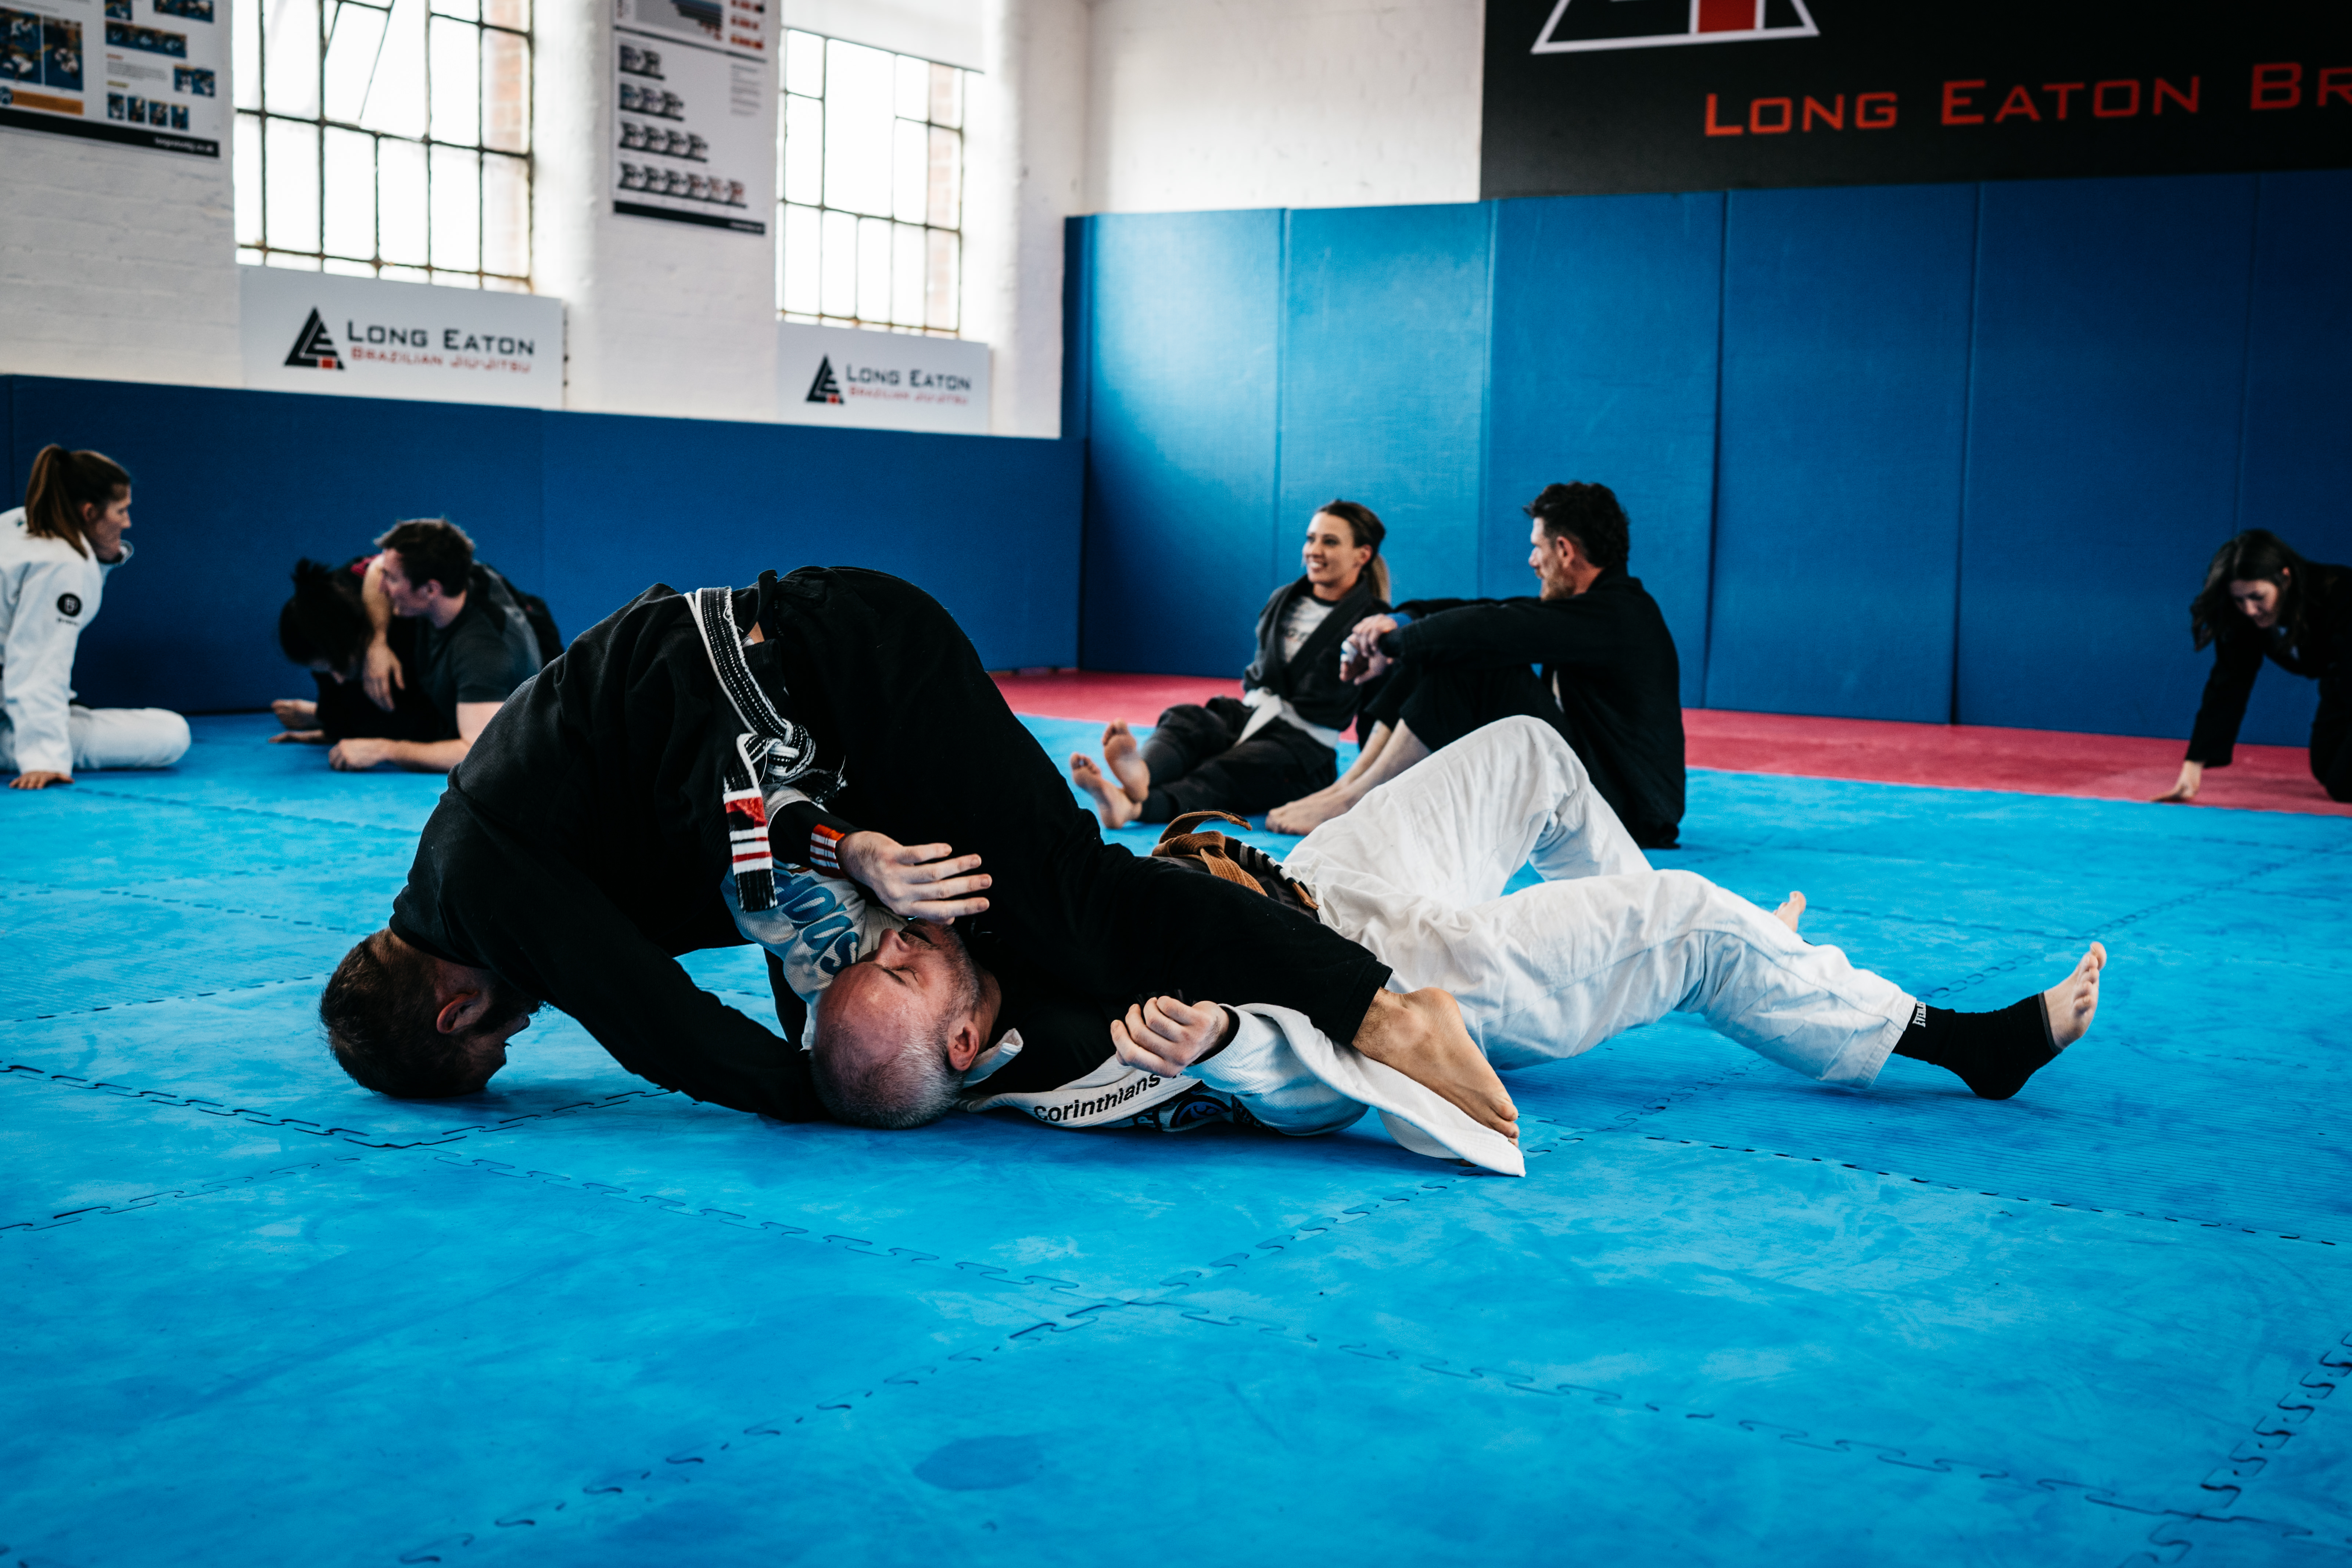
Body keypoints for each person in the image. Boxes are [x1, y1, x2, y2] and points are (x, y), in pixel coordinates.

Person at [319, 568, 1479, 1129]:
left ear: (450, 1015)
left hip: (849, 667)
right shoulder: (481, 865)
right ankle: (1143, 1042)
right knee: (898, 994)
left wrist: (858, 1090)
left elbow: (658, 1026)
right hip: (804, 752)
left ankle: (1377, 1006)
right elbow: (713, 836)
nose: (519, 1037)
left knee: (1064, 907)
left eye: (493, 1053)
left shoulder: (483, 888)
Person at [796, 718, 2105, 1173]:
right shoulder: (1081, 1068)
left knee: (1529, 755)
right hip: (1411, 980)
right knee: (1690, 916)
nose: (903, 940)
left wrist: (845, 852)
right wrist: (1228, 1041)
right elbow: (1314, 1091)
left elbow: (800, 887)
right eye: (899, 965)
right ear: (964, 1043)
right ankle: (1956, 1039)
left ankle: (1724, 963)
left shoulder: (934, 960)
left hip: (1310, 884)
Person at [1268, 481, 1685, 849]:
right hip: (1606, 788)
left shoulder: (1618, 617)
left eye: (1536, 548)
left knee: (1470, 656)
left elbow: (1491, 627)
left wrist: (1394, 644)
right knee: (1450, 643)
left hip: (1627, 813)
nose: (1532, 561)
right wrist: (1399, 622)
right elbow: (1490, 610)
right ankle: (1350, 788)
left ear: (1563, 550)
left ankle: (1359, 800)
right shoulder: (1598, 609)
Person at [1069, 502, 1391, 829]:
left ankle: (1133, 807)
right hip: (1248, 714)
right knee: (1187, 721)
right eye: (1311, 539)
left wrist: (1362, 785)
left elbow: (1378, 707)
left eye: (1330, 542)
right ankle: (1141, 773)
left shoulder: (1373, 622)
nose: (1314, 550)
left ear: (1362, 555)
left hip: (1304, 748)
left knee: (1227, 770)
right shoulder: (1284, 599)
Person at [284, 519, 546, 774]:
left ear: (429, 590)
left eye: (391, 578)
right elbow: (375, 566)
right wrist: (378, 642)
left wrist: (383, 750)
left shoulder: (482, 651)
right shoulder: (443, 588)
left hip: (528, 714)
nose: (380, 586)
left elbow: (481, 750)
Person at [0, 445, 189, 790]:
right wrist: (44, 757)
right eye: (122, 511)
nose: (128, 522)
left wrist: (101, 559)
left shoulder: (20, 523)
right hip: (9, 712)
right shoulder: (62, 563)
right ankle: (18, 746)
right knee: (171, 735)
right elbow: (37, 663)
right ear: (89, 512)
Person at [2156, 529, 2349, 806]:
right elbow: (2229, 682)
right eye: (2239, 599)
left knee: (2343, 786)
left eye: (2258, 597)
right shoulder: (2246, 616)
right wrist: (2192, 770)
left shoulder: (2341, 595)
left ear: (2285, 578)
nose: (2250, 609)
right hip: (2340, 682)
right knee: (2326, 766)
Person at [270, 557, 449, 754]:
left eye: (338, 667)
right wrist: (331, 726)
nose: (338, 679)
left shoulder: (406, 611)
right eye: (326, 670)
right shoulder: (320, 605)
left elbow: (426, 728)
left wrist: (377, 643)